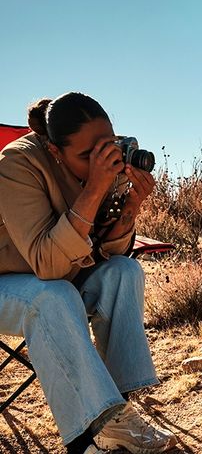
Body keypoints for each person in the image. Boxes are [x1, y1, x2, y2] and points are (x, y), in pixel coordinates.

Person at [0, 93, 177, 454]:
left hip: (62, 275)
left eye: (108, 145)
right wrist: (96, 187)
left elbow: (109, 253)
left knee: (123, 272)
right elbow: (46, 264)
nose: (103, 158)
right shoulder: (16, 164)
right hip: (10, 281)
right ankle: (85, 441)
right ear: (54, 151)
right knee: (53, 297)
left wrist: (130, 208)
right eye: (86, 156)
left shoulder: (103, 162)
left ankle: (116, 417)